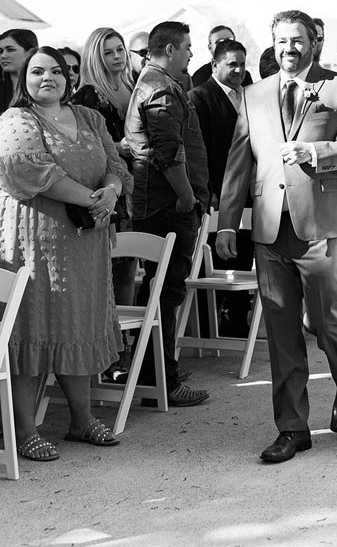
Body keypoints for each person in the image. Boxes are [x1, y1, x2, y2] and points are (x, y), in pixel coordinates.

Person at [216, 9, 337, 463]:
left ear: (314, 43)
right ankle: (292, 428)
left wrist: (317, 151)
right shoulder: (253, 94)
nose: (289, 48)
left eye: (298, 40)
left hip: (323, 226)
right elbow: (238, 164)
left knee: (328, 324)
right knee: (281, 332)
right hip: (270, 228)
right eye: (281, 40)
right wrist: (229, 222)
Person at [0, 47, 132, 460]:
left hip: (86, 243)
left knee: (78, 327)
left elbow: (117, 165)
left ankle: (82, 419)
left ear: (67, 78)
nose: (48, 78)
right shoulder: (16, 119)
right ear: (24, 79)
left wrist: (110, 191)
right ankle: (24, 430)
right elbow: (31, 170)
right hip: (34, 241)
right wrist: (95, 199)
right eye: (37, 71)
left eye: (56, 71)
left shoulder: (90, 117)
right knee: (32, 329)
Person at [124, 21, 210, 407]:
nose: (192, 54)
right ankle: (163, 379)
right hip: (167, 206)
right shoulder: (160, 88)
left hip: (155, 203)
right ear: (171, 49)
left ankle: (156, 370)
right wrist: (187, 196)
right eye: (188, 47)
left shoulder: (151, 83)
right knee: (167, 290)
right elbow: (169, 151)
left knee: (159, 289)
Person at [73, 28, 135, 382]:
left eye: (120, 49)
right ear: (95, 57)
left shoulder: (130, 85)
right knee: (109, 271)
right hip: (105, 189)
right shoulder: (87, 95)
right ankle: (110, 356)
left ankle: (121, 349)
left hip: (129, 187)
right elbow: (90, 145)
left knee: (127, 269)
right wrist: (119, 146)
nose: (117, 56)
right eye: (108, 51)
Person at [189, 39, 254, 336]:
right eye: (232, 64)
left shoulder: (251, 95)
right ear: (215, 65)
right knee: (212, 260)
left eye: (242, 63)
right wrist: (208, 191)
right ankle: (208, 325)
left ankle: (237, 320)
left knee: (244, 254)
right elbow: (198, 150)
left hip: (250, 192)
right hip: (215, 192)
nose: (239, 69)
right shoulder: (199, 98)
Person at [0, 28, 38, 113]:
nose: (3, 55)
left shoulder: (42, 87)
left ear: (30, 52)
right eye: (0, 51)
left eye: (10, 50)